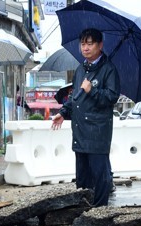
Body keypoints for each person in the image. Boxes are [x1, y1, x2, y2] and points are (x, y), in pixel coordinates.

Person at [51, 28, 120, 207]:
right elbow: (76, 97)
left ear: (100, 45)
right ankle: (83, 209)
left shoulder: (109, 69)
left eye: (90, 44)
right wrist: (63, 113)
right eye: (83, 44)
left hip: (98, 131)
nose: (85, 48)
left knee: (100, 174)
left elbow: (112, 97)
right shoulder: (81, 69)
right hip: (80, 130)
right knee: (82, 175)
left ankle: (100, 210)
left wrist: (93, 90)